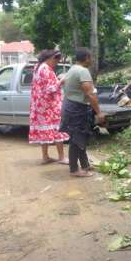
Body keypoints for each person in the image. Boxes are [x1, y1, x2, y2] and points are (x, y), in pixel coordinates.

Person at [59, 48, 105, 177]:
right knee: (76, 139)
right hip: (76, 109)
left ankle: (85, 165)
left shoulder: (72, 69)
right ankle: (74, 170)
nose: (92, 60)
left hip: (70, 106)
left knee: (81, 137)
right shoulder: (83, 71)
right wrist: (99, 113)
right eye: (91, 57)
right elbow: (90, 94)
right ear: (86, 58)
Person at [29, 49, 70, 164]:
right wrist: (61, 80)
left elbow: (43, 85)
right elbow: (50, 89)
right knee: (58, 129)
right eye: (56, 61)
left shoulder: (38, 67)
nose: (56, 64)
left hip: (39, 105)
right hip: (49, 106)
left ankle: (45, 156)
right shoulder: (46, 69)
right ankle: (61, 157)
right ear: (52, 58)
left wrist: (56, 80)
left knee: (44, 130)